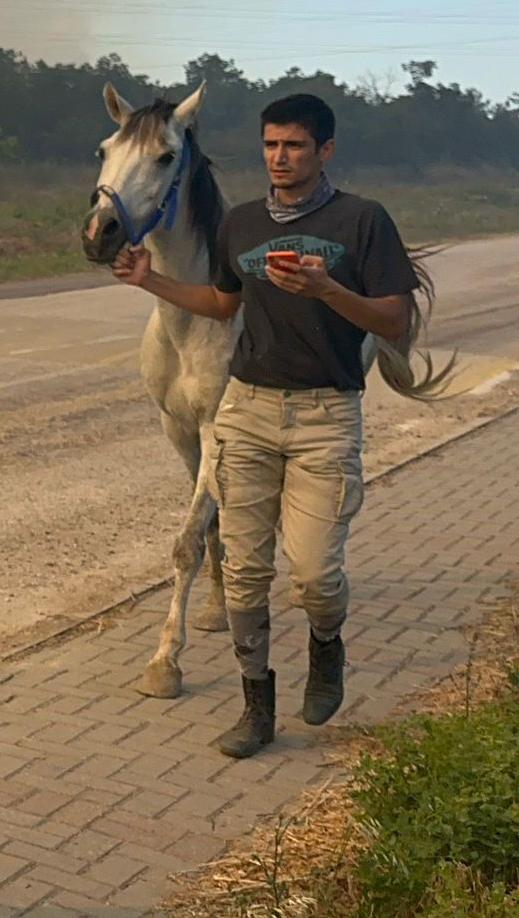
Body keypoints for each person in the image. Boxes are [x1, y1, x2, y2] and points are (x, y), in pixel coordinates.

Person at [109, 93, 418, 759]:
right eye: (272, 144)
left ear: (324, 150)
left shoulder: (363, 220)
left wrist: (327, 289)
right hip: (247, 411)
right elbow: (221, 303)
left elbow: (394, 320)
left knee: (313, 576)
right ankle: (257, 709)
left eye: (295, 145)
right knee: (245, 576)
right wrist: (149, 283)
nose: (281, 157)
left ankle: (326, 645)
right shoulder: (242, 223)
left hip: (324, 416)